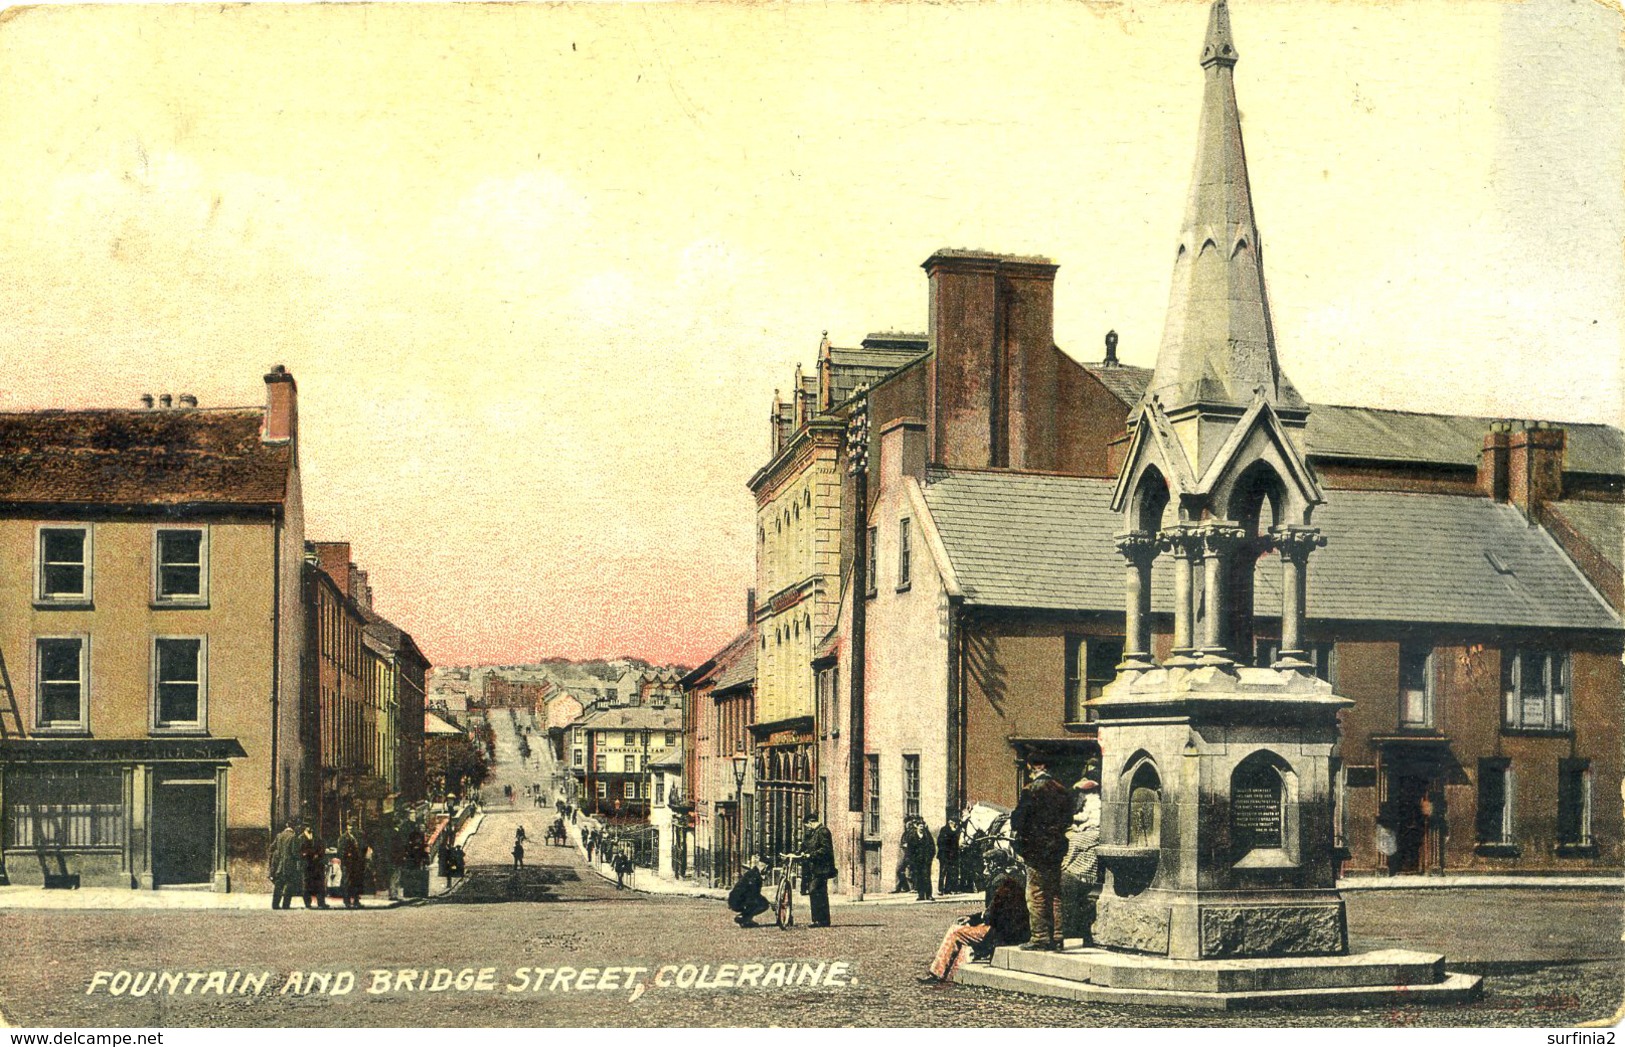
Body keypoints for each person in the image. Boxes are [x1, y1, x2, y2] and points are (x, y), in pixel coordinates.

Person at [921, 850, 1030, 983]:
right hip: (1006, 929)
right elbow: (992, 911)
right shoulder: (1004, 879)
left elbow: (991, 913)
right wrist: (972, 918)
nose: (984, 868)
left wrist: (974, 920)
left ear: (993, 864)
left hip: (1002, 933)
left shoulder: (1000, 882)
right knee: (962, 929)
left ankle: (937, 973)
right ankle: (950, 974)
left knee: (955, 932)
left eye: (986, 864)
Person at [1009, 756, 1071, 951]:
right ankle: (1058, 936)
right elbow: (1068, 818)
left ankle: (1040, 937)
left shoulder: (1030, 790)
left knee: (1035, 892)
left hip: (1035, 850)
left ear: (1032, 767)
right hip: (1056, 849)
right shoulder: (1061, 789)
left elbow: (1018, 821)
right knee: (1054, 893)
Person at [1061, 775, 1102, 944]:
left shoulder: (1094, 802)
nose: (1080, 795)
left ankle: (1065, 862)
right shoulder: (1089, 802)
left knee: (1074, 840)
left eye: (1081, 792)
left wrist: (1076, 824)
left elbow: (1091, 821)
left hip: (1094, 832)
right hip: (1089, 829)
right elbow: (1083, 816)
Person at [799, 811, 836, 928]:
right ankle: (821, 920)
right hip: (816, 868)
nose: (807, 829)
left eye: (807, 826)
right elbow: (806, 846)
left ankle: (821, 920)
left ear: (811, 823)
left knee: (815, 890)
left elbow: (825, 849)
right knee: (819, 893)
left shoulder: (823, 831)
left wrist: (811, 855)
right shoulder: (815, 833)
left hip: (823, 868)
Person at [727, 858, 771, 927]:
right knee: (763, 904)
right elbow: (753, 894)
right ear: (764, 867)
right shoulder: (755, 877)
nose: (768, 873)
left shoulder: (753, 873)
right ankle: (744, 918)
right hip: (738, 900)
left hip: (735, 898)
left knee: (760, 901)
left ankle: (746, 919)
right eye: (768, 870)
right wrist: (768, 902)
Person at [268, 820, 301, 910]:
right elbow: (294, 853)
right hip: (289, 865)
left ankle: (275, 904)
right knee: (289, 884)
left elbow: (271, 848)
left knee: (279, 884)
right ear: (293, 827)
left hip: (279, 865)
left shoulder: (279, 836)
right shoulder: (293, 837)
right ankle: (286, 905)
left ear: (286, 826)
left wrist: (276, 856)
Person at [299, 825, 329, 909]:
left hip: (317, 864)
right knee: (307, 884)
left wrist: (318, 854)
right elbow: (300, 851)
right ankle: (307, 903)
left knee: (319, 883)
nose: (310, 828)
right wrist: (311, 854)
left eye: (310, 826)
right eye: (307, 826)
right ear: (304, 827)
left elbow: (322, 847)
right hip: (307, 864)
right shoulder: (300, 838)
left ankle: (321, 902)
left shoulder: (316, 837)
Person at [907, 817, 937, 901]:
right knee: (919, 878)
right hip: (917, 861)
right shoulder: (912, 836)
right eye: (920, 826)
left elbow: (932, 847)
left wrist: (930, 857)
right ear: (916, 826)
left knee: (927, 877)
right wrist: (911, 860)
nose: (921, 827)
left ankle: (929, 895)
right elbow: (910, 849)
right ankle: (920, 895)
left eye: (922, 826)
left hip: (926, 860)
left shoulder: (927, 835)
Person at [338, 823, 365, 909]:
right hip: (347, 863)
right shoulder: (343, 838)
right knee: (347, 882)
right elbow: (340, 851)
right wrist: (347, 854)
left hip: (356, 863)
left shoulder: (357, 836)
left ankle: (356, 900)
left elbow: (362, 847)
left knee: (356, 882)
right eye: (349, 827)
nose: (351, 829)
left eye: (352, 827)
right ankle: (347, 901)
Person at [937, 818, 962, 896]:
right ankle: (941, 889)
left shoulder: (956, 830)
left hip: (953, 855)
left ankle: (948, 889)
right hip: (944, 854)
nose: (951, 823)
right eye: (950, 822)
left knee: (951, 873)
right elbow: (940, 841)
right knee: (943, 872)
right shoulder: (944, 829)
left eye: (953, 822)